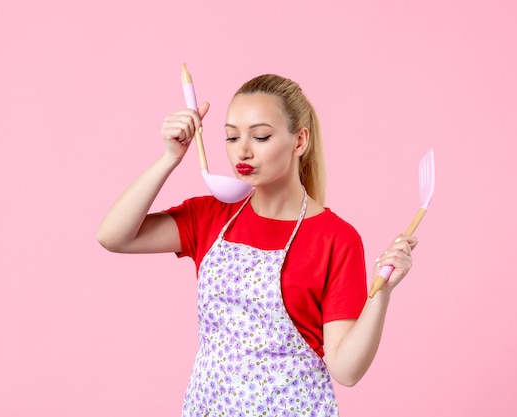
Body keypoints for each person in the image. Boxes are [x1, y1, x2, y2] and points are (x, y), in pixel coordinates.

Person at [97, 73, 417, 416]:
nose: (242, 150)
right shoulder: (209, 216)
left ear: (299, 142)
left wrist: (381, 293)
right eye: (231, 137)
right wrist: (169, 158)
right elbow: (114, 236)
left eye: (261, 136)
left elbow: (346, 369)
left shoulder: (335, 238)